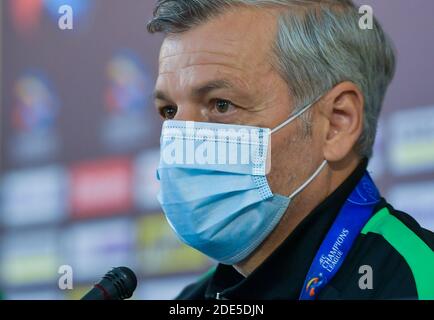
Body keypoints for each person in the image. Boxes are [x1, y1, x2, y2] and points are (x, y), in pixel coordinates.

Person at [147, 0, 434, 300]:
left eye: (221, 105)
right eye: (169, 111)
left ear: (338, 123)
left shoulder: (419, 283)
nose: (180, 141)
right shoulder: (191, 300)